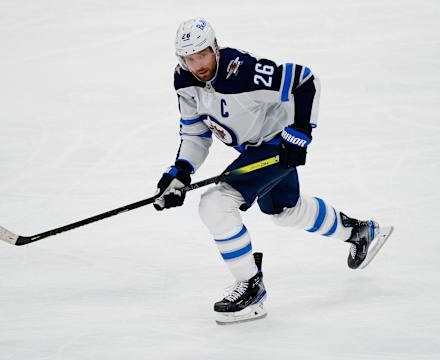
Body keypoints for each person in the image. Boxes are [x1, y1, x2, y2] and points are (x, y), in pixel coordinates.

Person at [153, 18, 393, 325]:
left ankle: (252, 289)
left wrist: (301, 132)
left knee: (215, 204)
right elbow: (196, 134)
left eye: (203, 54)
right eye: (189, 58)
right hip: (253, 149)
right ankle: (360, 232)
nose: (197, 64)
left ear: (216, 48)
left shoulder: (243, 71)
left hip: (278, 145)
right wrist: (180, 173)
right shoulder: (184, 81)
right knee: (284, 210)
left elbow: (305, 81)